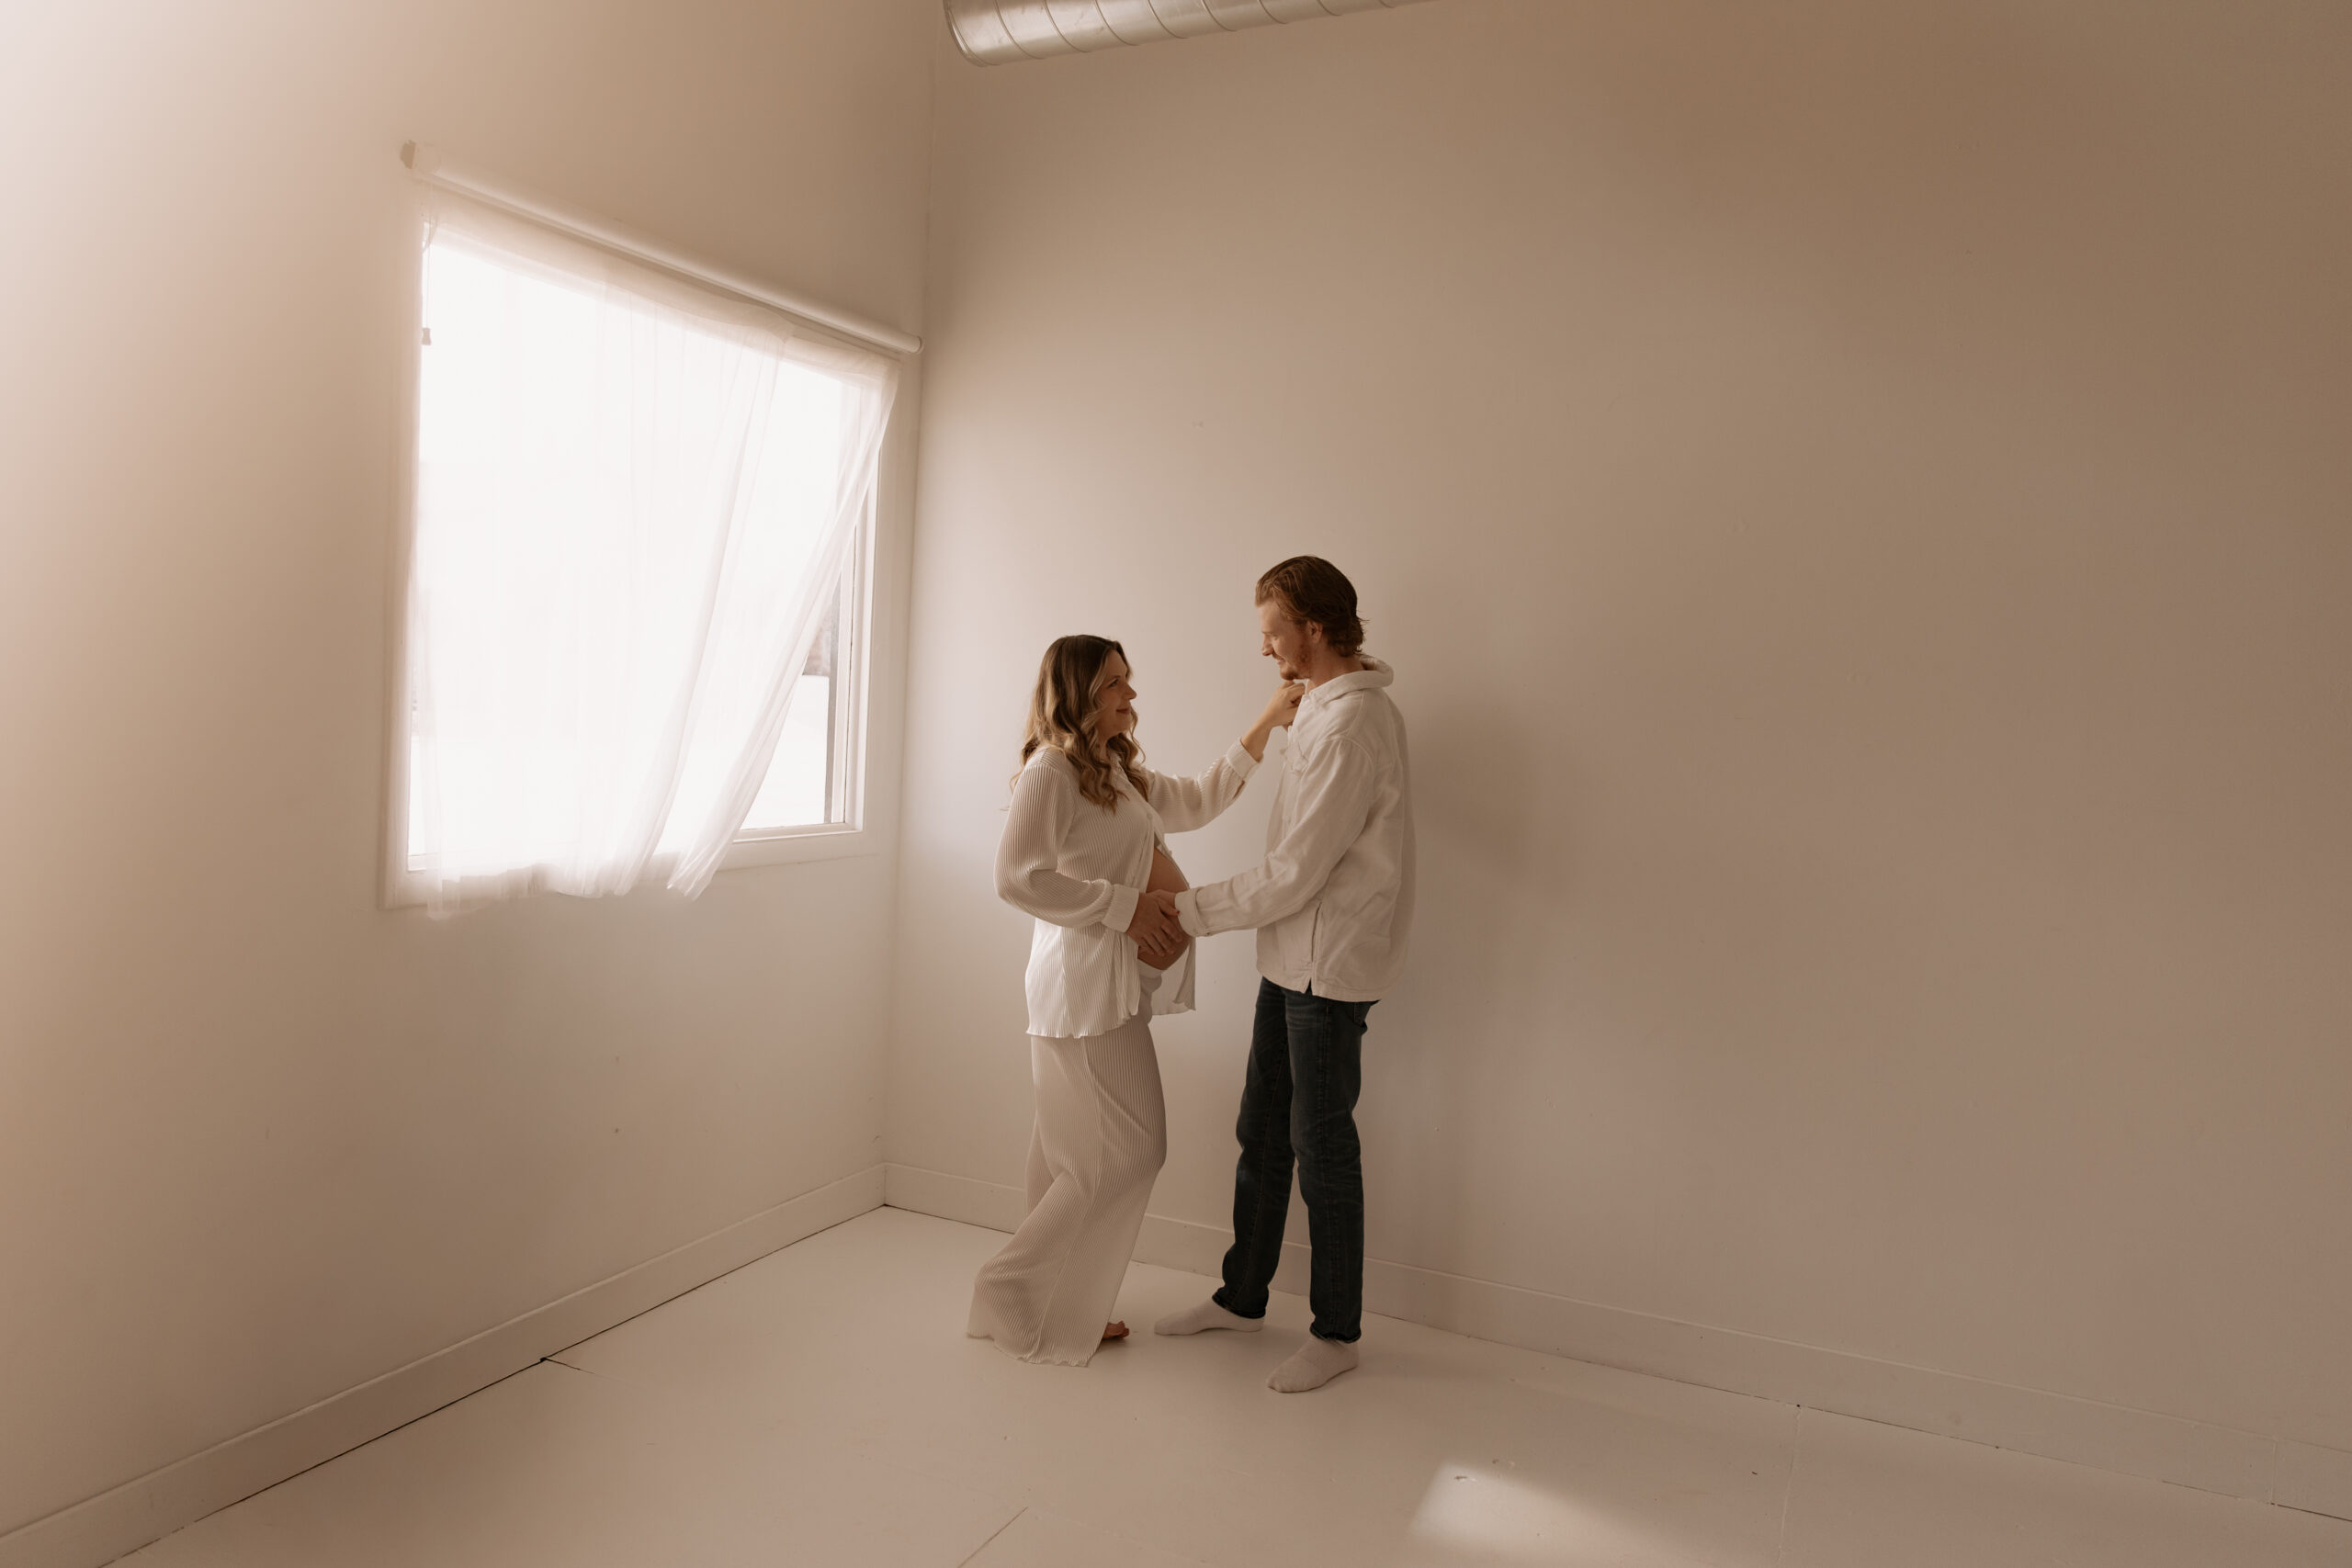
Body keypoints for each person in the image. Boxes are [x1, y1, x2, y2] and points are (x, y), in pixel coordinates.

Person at [968, 635, 1304, 1366]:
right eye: (1116, 682)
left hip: (1107, 988)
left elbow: (1201, 798)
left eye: (1128, 679)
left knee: (1066, 1156)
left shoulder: (1115, 772)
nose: (1131, 694)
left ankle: (1049, 1299)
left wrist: (1268, 722)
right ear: (1081, 692)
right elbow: (1015, 876)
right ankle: (1008, 1284)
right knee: (1133, 1149)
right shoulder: (1052, 770)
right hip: (1081, 991)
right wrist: (1124, 907)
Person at [1149, 558, 1414, 1393]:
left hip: (1326, 967)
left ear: (1314, 626)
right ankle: (1242, 1297)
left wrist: (1187, 912)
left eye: (1273, 631)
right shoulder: (1322, 710)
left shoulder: (1350, 726)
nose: (1264, 648)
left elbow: (1297, 871)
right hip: (1290, 957)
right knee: (1262, 1130)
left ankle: (1336, 1333)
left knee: (1320, 1146)